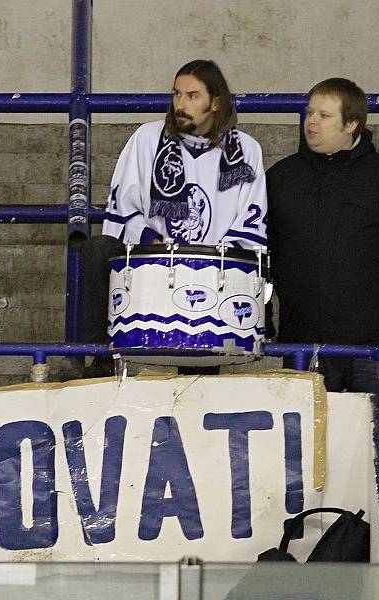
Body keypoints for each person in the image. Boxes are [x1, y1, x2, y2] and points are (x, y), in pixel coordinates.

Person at [267, 78, 379, 562]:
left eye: (323, 115)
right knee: (306, 455)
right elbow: (260, 257)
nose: (311, 122)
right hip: (303, 348)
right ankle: (303, 548)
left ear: (352, 124)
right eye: (308, 113)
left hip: (372, 348)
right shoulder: (281, 179)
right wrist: (263, 322)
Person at [79, 59, 267, 376]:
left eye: (192, 96)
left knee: (197, 387)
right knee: (99, 248)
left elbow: (249, 226)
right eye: (177, 94)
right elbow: (125, 208)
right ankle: (98, 362)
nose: (181, 103)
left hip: (212, 287)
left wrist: (201, 266)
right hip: (149, 275)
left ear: (216, 102)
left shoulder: (246, 151)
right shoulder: (147, 139)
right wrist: (156, 248)